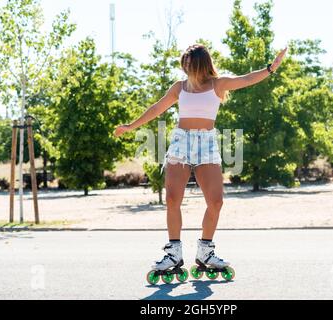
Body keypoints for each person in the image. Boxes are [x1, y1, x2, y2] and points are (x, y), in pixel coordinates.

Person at [115, 44, 287, 278]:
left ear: (200, 64)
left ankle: (205, 250)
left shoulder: (218, 85)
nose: (185, 66)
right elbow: (156, 108)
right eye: (183, 62)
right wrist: (130, 126)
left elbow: (246, 79)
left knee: (216, 202)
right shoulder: (179, 87)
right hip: (181, 142)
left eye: (189, 62)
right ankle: (174, 252)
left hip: (206, 143)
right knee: (173, 198)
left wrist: (270, 68)